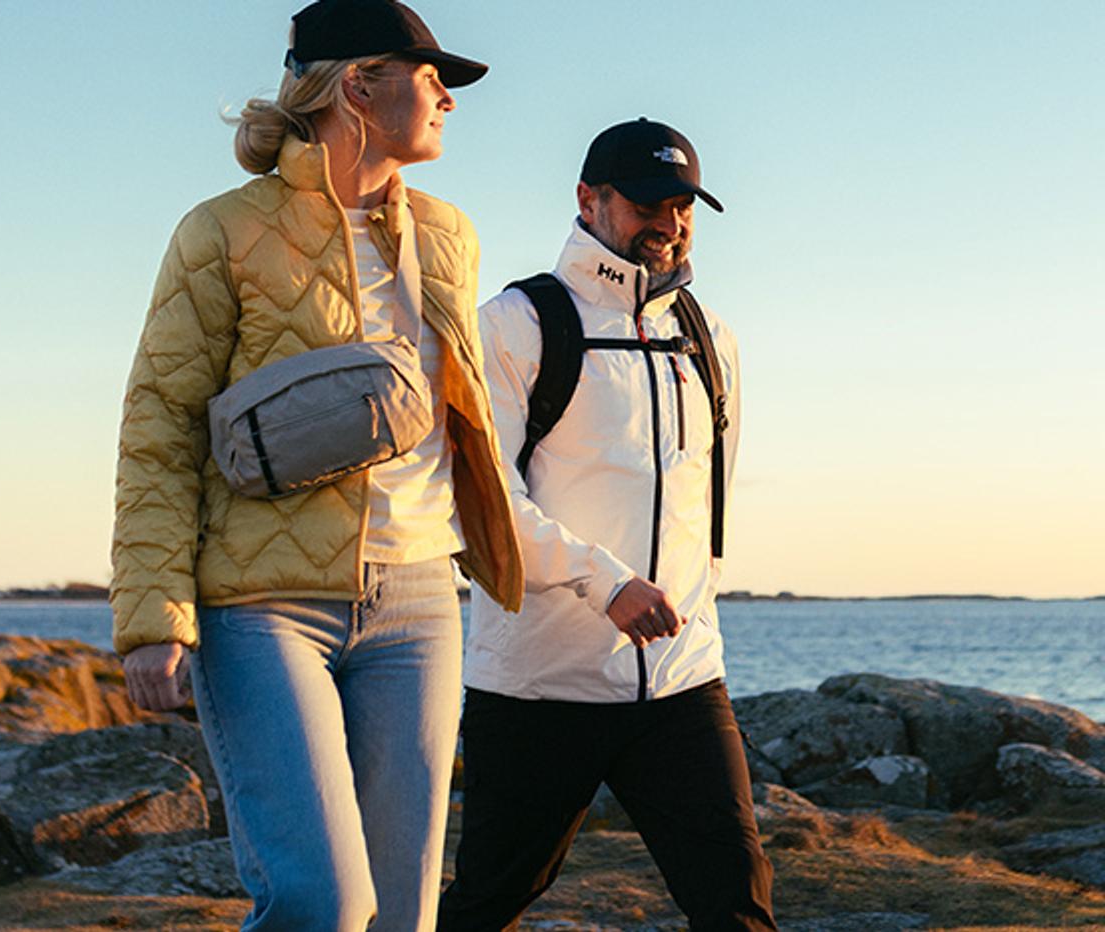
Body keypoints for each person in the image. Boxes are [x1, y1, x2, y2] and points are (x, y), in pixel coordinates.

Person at [109, 2, 524, 929]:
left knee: (400, 914)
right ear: (357, 88)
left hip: (419, 600)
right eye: (430, 78)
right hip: (261, 604)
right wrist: (152, 615)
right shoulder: (221, 231)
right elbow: (160, 425)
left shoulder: (449, 234)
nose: (448, 100)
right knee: (318, 903)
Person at [436, 118, 776, 931]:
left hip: (682, 681)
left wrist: (698, 599)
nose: (670, 221)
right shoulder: (515, 325)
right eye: (647, 201)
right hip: (538, 683)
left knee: (736, 903)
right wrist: (607, 581)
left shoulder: (707, 335)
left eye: (684, 203)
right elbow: (480, 503)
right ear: (588, 200)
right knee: (488, 902)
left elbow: (713, 497)